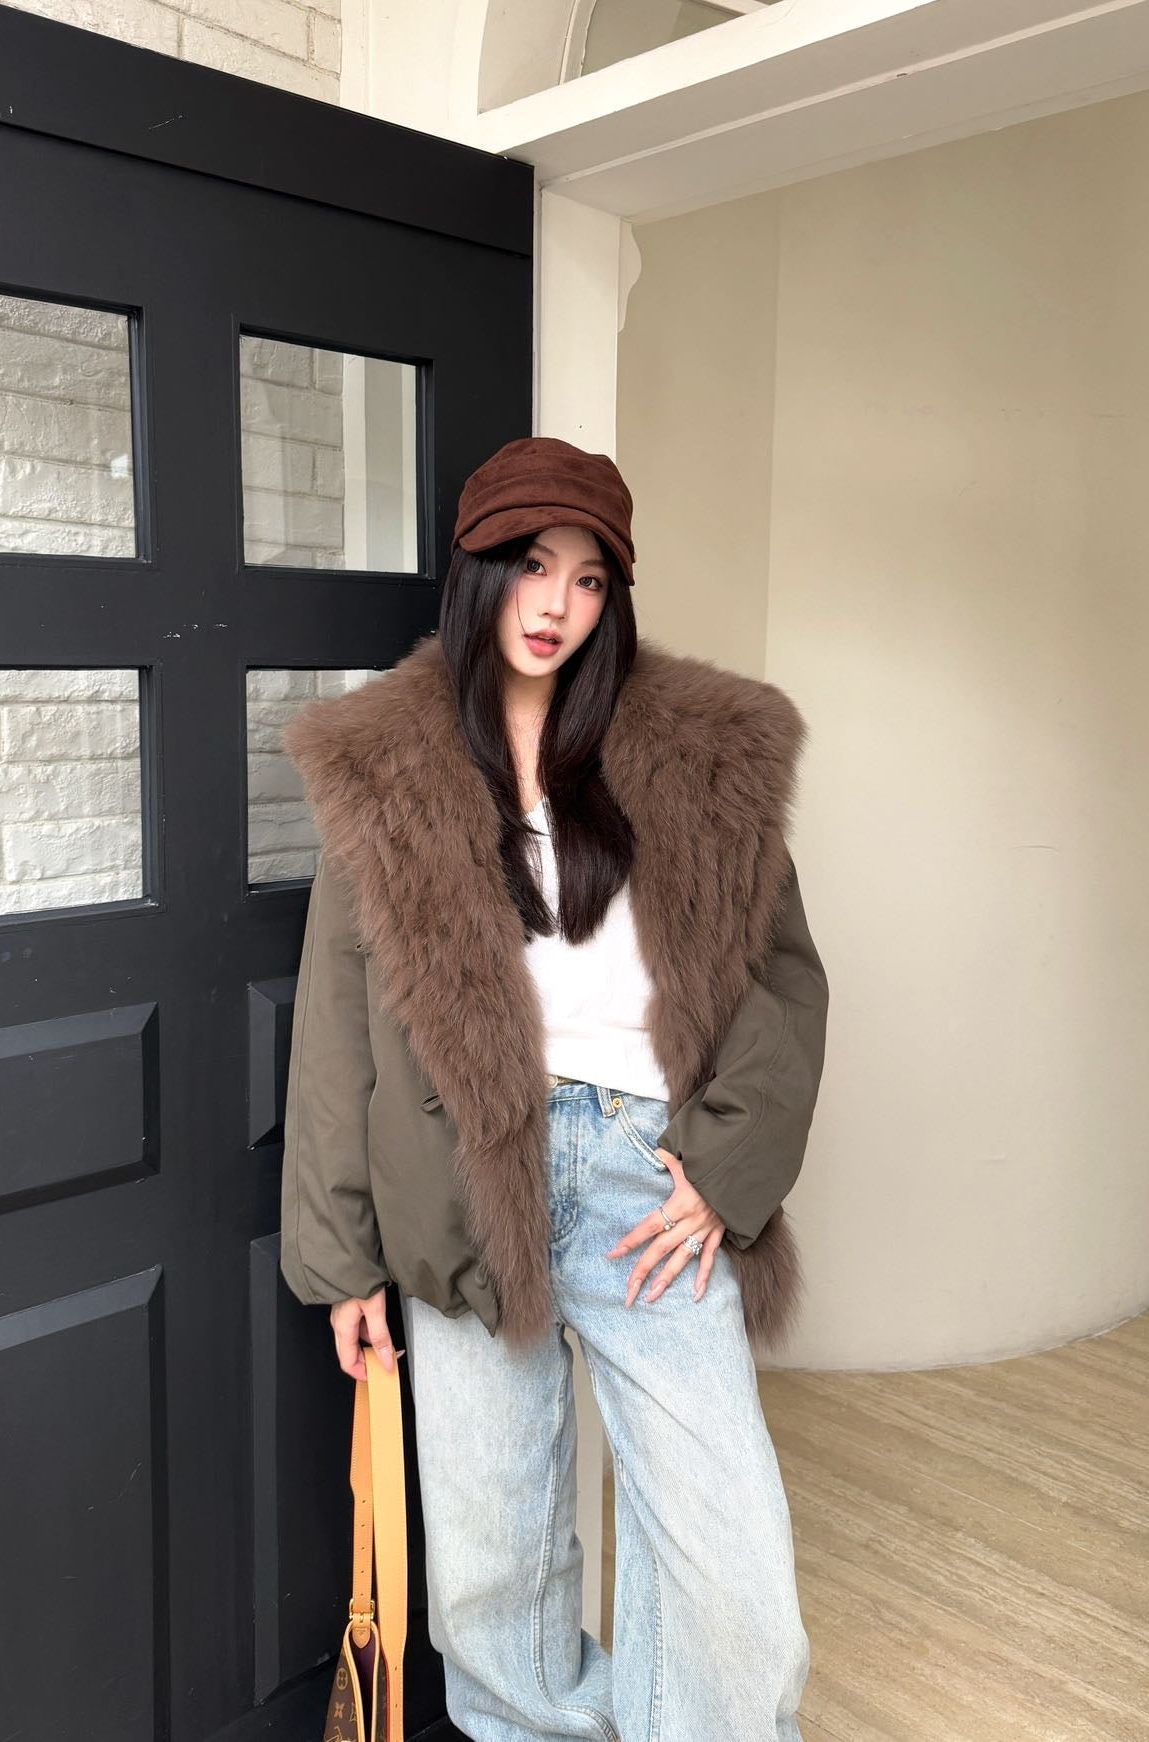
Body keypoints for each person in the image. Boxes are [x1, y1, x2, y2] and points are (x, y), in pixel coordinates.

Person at [279, 434, 830, 1741]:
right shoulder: (387, 763)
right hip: (465, 1180)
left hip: (649, 1183)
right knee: (492, 1575)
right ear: (479, 568)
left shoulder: (704, 756)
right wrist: (342, 1261)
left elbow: (782, 982)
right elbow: (338, 1025)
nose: (556, 604)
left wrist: (726, 1166)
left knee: (733, 1577)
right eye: (532, 565)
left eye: (588, 578)